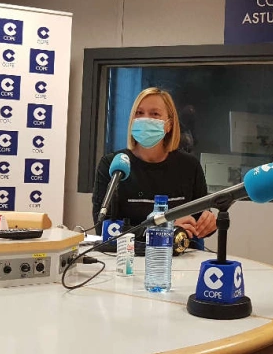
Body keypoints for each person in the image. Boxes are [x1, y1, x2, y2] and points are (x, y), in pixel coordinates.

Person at [92, 87, 217, 241]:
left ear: (169, 125)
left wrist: (208, 222)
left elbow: (200, 219)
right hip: (128, 253)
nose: (145, 119)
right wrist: (163, 229)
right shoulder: (113, 165)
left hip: (181, 253)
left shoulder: (190, 166)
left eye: (155, 114)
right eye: (139, 113)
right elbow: (103, 227)